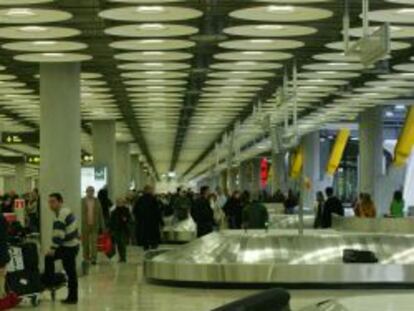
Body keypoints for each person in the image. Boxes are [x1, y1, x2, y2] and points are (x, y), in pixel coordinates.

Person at [43, 193, 79, 304]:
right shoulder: (62, 212)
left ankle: (71, 297)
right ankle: (51, 281)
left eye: (53, 201)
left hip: (69, 247)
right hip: (69, 245)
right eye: (49, 202)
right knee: (50, 259)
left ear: (60, 202)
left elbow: (59, 234)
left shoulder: (62, 214)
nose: (50, 204)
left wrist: (53, 248)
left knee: (70, 272)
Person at [133, 185, 163, 250]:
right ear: (148, 190)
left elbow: (135, 210)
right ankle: (153, 246)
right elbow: (157, 211)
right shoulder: (153, 199)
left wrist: (138, 218)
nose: (152, 191)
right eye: (151, 189)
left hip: (143, 222)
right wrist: (160, 221)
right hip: (152, 222)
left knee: (144, 236)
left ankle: (146, 247)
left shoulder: (140, 199)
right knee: (153, 236)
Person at [81, 186, 105, 265]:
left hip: (95, 225)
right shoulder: (82, 201)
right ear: (86, 192)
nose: (90, 192)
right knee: (85, 243)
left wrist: (102, 225)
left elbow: (101, 214)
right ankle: (86, 258)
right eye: (89, 191)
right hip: (85, 225)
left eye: (92, 191)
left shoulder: (97, 201)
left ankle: (94, 258)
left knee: (94, 243)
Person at [110, 197, 132, 263]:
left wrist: (126, 219)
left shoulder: (126, 210)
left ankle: (123, 257)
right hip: (116, 229)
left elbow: (129, 218)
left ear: (123, 203)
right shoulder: (113, 211)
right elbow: (112, 220)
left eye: (120, 202)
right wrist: (111, 229)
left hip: (123, 229)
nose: (119, 203)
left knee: (122, 243)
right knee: (119, 244)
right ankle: (121, 257)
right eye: (118, 202)